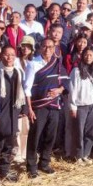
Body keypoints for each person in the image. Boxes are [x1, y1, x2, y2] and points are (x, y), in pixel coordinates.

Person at [23, 38, 68, 178]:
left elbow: (66, 82)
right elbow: (27, 88)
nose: (47, 49)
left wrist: (59, 91)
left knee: (50, 135)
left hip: (54, 105)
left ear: (54, 47)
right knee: (35, 136)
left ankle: (45, 163)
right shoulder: (33, 64)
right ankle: (31, 166)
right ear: (40, 48)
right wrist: (29, 109)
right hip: (38, 106)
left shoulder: (58, 64)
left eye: (50, 47)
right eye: (44, 46)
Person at [0, 46, 25, 185]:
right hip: (0, 114)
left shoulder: (18, 72)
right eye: (6, 54)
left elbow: (22, 92)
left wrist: (23, 109)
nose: (9, 57)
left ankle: (4, 172)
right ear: (1, 56)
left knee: (9, 146)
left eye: (12, 55)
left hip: (13, 114)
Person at [68, 48, 93, 163]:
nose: (88, 57)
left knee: (90, 132)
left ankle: (86, 154)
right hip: (80, 105)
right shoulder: (76, 71)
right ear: (82, 56)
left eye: (91, 55)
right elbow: (72, 89)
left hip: (92, 105)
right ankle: (78, 156)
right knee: (79, 132)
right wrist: (73, 106)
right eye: (86, 55)